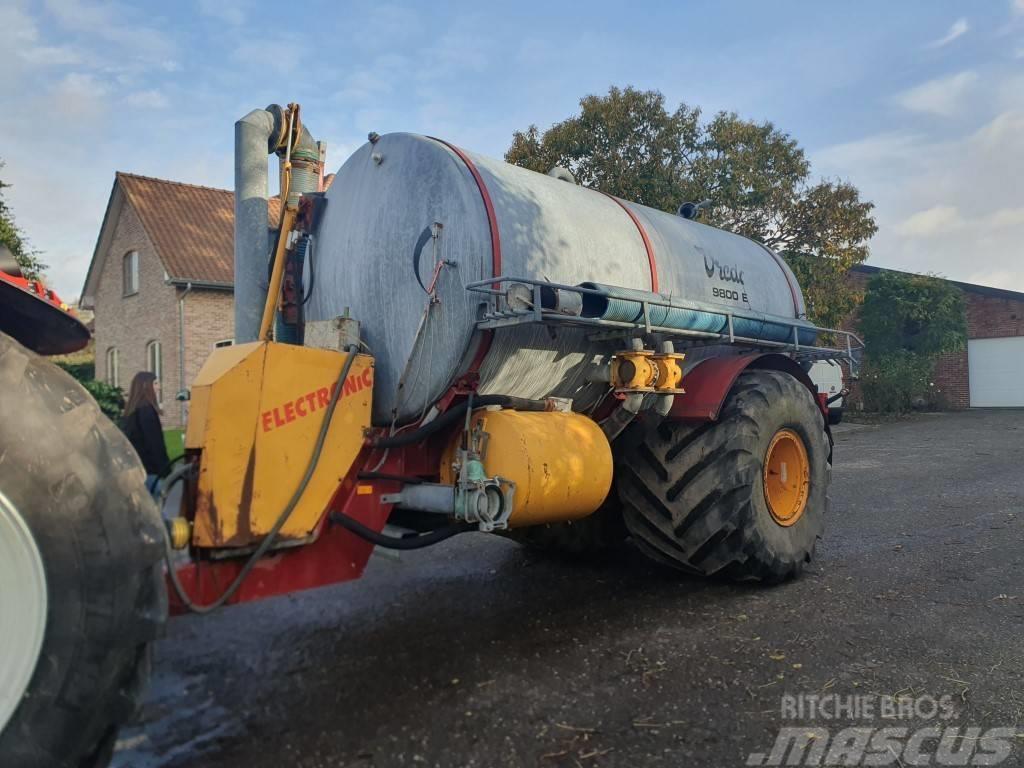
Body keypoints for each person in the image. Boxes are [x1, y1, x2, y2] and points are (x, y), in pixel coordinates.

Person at [121, 371, 169, 496]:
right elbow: (155, 443)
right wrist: (166, 470)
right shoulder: (147, 410)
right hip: (151, 470)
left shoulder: (131, 411)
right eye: (155, 383)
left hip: (137, 468)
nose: (159, 387)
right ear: (145, 386)